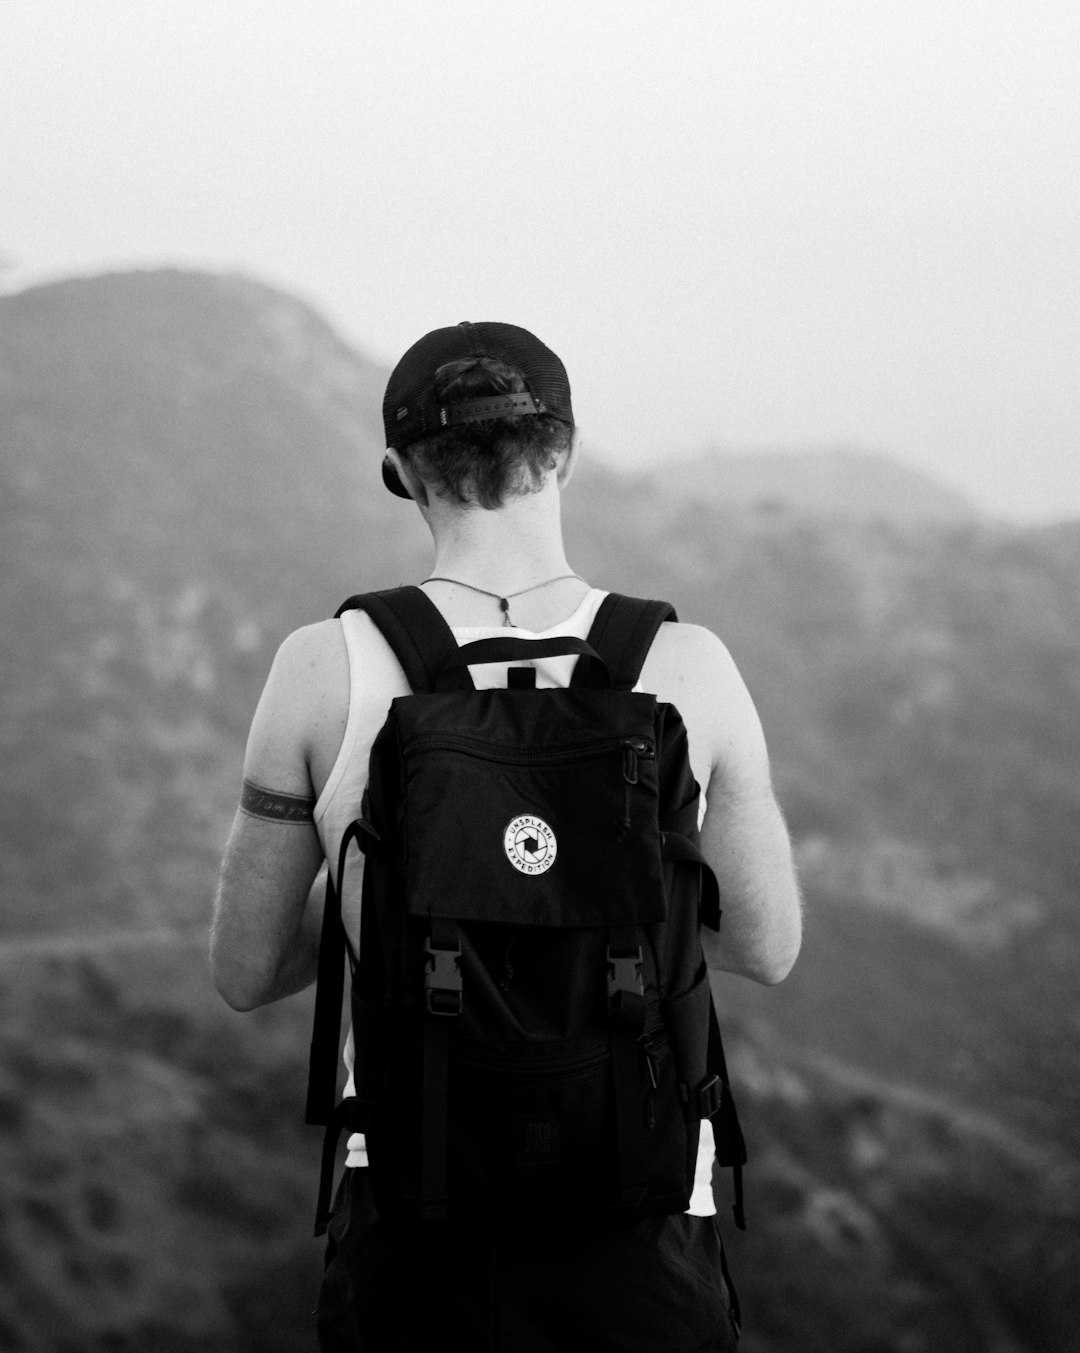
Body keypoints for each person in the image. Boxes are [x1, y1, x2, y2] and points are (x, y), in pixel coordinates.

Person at [211, 321, 802, 1351]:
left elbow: (247, 968)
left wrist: (393, 879)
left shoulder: (320, 670)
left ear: (401, 471)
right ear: (564, 452)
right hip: (640, 1221)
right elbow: (765, 945)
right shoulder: (689, 666)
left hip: (413, 1218)